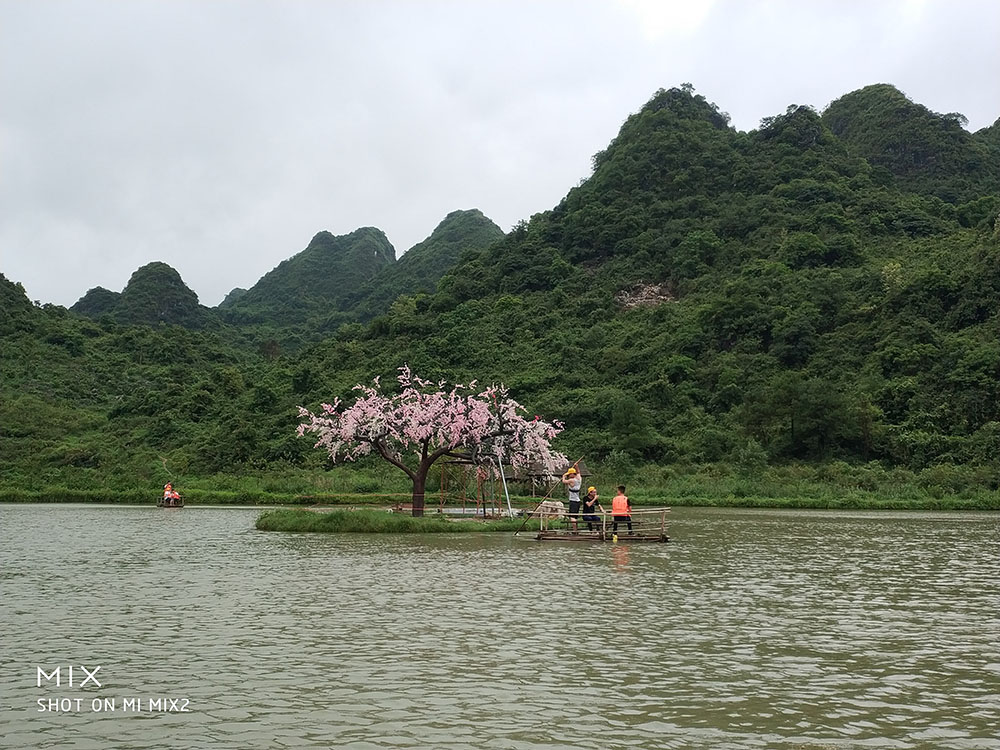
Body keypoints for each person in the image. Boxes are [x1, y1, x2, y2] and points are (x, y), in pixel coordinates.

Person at [561, 467, 582, 532]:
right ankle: (575, 530)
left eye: (569, 474)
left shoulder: (572, 480)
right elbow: (578, 472)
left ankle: (575, 530)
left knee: (572, 517)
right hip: (578, 501)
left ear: (572, 474)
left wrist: (563, 476)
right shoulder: (579, 478)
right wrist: (576, 466)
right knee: (575, 517)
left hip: (573, 501)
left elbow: (564, 481)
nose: (568, 476)